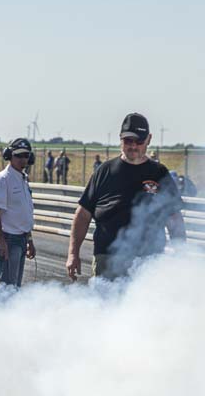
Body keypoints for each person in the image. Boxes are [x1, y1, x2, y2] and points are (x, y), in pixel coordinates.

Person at [66, 112, 186, 281]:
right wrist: (73, 254)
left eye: (139, 141)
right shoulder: (105, 171)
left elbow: (174, 218)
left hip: (148, 262)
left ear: (149, 139)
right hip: (107, 260)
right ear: (120, 139)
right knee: (104, 306)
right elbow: (83, 214)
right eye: (128, 141)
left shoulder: (159, 173)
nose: (133, 146)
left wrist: (180, 255)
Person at [0, 137, 36, 287]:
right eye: (19, 155)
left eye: (26, 155)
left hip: (21, 239)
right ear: (9, 156)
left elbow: (24, 212)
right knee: (8, 288)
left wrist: (29, 239)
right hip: (8, 239)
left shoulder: (23, 179)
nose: (23, 159)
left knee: (15, 288)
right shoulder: (2, 180)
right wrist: (0, 240)